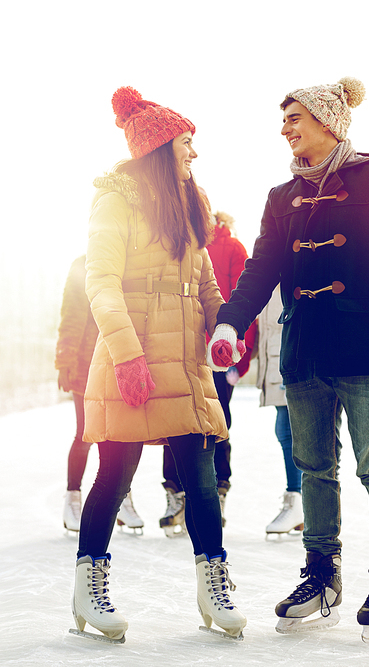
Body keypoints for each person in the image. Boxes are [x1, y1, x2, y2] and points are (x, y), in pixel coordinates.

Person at [207, 77, 369, 641]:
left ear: (329, 122)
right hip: (304, 351)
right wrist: (231, 319)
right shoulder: (282, 198)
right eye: (283, 121)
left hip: (364, 345)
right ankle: (322, 574)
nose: (285, 130)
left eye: (294, 119)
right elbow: (260, 270)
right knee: (313, 466)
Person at [71, 86, 246, 643]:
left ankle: (213, 585)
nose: (195, 154)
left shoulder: (191, 201)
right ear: (160, 146)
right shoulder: (116, 200)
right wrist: (126, 356)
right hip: (136, 353)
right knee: (116, 472)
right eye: (187, 143)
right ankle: (88, 588)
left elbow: (208, 281)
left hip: (185, 359)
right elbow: (100, 282)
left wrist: (221, 327)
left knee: (199, 474)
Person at [160, 211, 256, 535]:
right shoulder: (176, 243)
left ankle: (217, 490)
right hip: (180, 349)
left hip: (218, 355)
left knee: (216, 422)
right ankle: (175, 493)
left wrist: (239, 361)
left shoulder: (233, 249)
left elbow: (242, 304)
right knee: (173, 419)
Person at [55, 255, 143, 534]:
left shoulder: (130, 262)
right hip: (85, 363)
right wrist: (65, 360)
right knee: (85, 433)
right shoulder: (83, 265)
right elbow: (70, 315)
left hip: (118, 360)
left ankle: (122, 499)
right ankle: (73, 499)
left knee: (120, 434)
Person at [256, 284, 303, 539]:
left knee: (290, 431)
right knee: (285, 431)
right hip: (275, 358)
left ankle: (298, 500)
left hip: (290, 355)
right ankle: (298, 501)